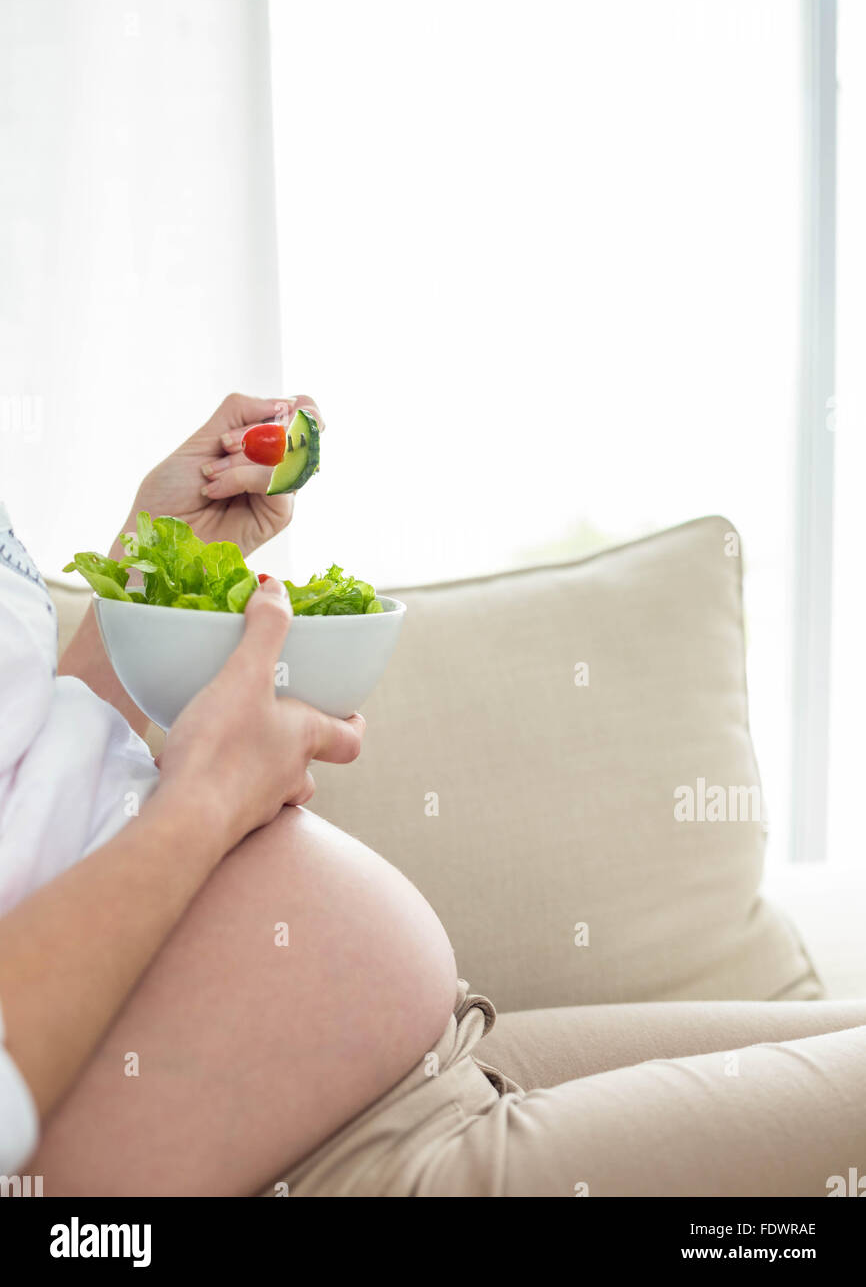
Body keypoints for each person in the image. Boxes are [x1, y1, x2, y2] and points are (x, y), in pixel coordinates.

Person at [2, 393, 865, 1198]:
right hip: (337, 1160)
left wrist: (161, 564)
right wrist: (207, 801)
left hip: (430, 1062)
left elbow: (34, 796)